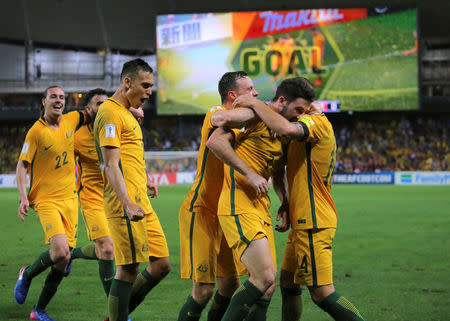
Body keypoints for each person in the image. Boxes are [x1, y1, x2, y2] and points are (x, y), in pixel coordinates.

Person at [233, 77, 366, 321]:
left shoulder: (316, 123)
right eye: (298, 110)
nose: (298, 115)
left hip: (315, 221)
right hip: (302, 220)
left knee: (322, 293)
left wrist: (256, 104)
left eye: (302, 110)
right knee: (289, 283)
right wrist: (285, 202)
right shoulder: (297, 124)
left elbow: (286, 129)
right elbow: (280, 165)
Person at [205, 80, 305, 321]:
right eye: (298, 111)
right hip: (237, 203)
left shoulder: (283, 131)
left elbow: (278, 171)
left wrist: (285, 202)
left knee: (267, 288)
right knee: (264, 278)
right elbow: (215, 139)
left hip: (261, 207)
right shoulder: (252, 115)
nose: (300, 118)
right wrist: (250, 174)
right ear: (281, 101)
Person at [177, 71, 260, 321]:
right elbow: (223, 116)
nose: (255, 94)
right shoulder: (216, 112)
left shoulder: (243, 126)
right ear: (233, 96)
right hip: (201, 211)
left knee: (230, 285)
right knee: (203, 290)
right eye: (250, 89)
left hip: (224, 212)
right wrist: (259, 108)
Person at [93, 58, 170, 321]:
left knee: (160, 265)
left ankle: (116, 316)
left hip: (140, 200)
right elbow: (111, 164)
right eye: (145, 85)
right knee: (128, 269)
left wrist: (146, 178)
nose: (150, 91)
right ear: (127, 82)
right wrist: (126, 203)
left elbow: (130, 156)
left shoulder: (127, 113)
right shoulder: (110, 113)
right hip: (124, 203)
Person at [14, 85, 91, 321]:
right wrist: (23, 196)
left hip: (70, 198)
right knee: (60, 252)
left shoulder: (71, 120)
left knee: (63, 257)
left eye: (62, 97)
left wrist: (129, 109)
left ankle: (39, 310)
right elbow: (21, 165)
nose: (58, 100)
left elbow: (95, 110)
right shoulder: (35, 132)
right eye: (53, 97)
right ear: (44, 101)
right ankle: (26, 274)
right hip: (46, 200)